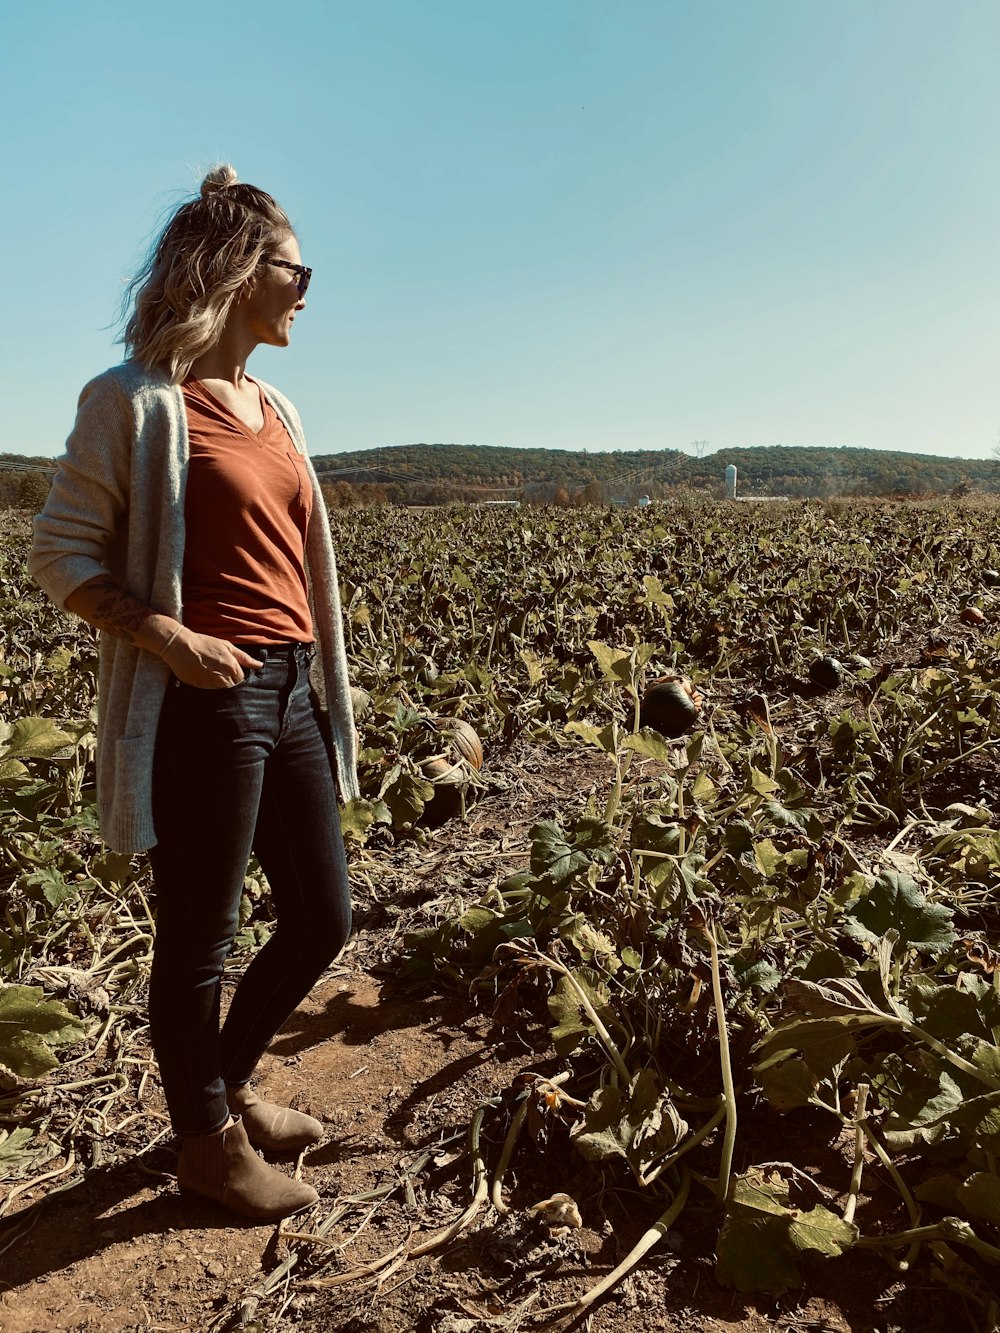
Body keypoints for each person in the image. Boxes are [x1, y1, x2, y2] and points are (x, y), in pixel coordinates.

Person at [29, 165, 360, 1222]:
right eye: (293, 266)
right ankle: (209, 1150)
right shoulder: (132, 402)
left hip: (290, 685)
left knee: (321, 917)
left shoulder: (277, 406)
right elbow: (58, 553)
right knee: (199, 937)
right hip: (201, 697)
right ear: (232, 273)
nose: (307, 287)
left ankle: (216, 1093)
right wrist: (166, 635)